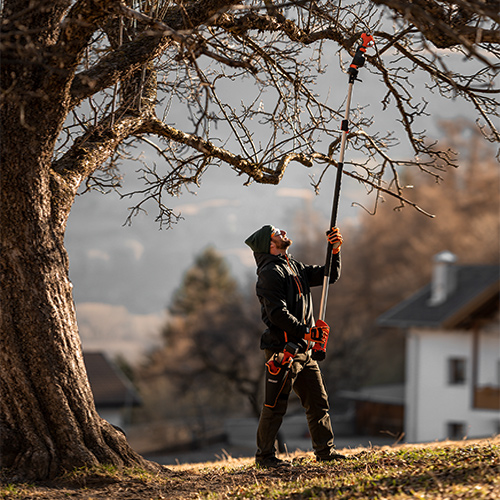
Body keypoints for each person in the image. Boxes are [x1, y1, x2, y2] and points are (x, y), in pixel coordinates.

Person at [245, 224, 345, 468]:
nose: (284, 233)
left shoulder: (294, 266)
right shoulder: (269, 273)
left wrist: (334, 250)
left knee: (318, 402)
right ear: (269, 244)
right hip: (283, 350)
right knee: (274, 406)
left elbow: (328, 275)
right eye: (278, 232)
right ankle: (265, 457)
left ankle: (325, 452)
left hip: (304, 349)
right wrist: (307, 332)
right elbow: (278, 314)